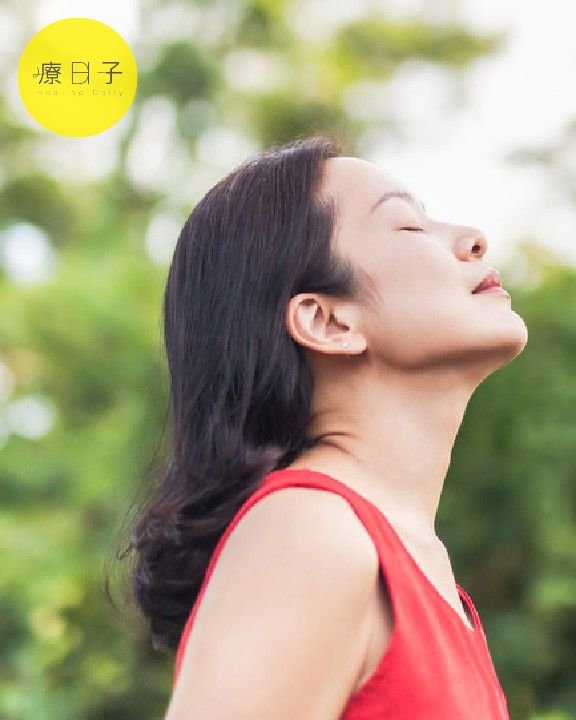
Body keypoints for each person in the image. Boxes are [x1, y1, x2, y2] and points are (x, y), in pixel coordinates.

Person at [125, 134, 527, 718]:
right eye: (407, 226)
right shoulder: (309, 530)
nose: (472, 239)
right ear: (327, 321)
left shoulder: (417, 564)